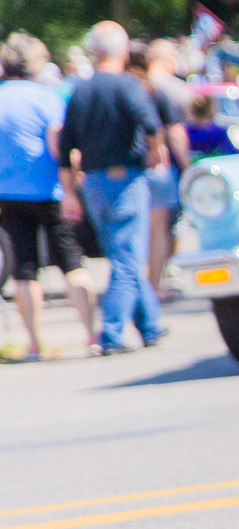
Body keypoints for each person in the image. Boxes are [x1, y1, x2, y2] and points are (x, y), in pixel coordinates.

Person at [60, 21, 166, 354]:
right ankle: (112, 334)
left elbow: (65, 146)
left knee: (122, 255)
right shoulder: (126, 85)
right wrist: (156, 151)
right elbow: (150, 123)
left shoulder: (80, 89)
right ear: (121, 51)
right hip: (125, 178)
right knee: (126, 259)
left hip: (92, 183)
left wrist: (68, 190)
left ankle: (150, 325)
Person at [0, 34, 93, 361]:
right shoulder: (46, 97)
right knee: (71, 262)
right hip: (52, 191)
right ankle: (91, 333)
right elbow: (60, 147)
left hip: (9, 194)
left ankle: (35, 342)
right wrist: (73, 189)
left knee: (24, 270)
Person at [140, 40, 191, 298]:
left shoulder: (135, 85)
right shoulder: (171, 89)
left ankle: (143, 284)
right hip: (162, 168)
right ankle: (154, 286)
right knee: (161, 230)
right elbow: (176, 133)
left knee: (142, 230)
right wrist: (187, 166)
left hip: (133, 168)